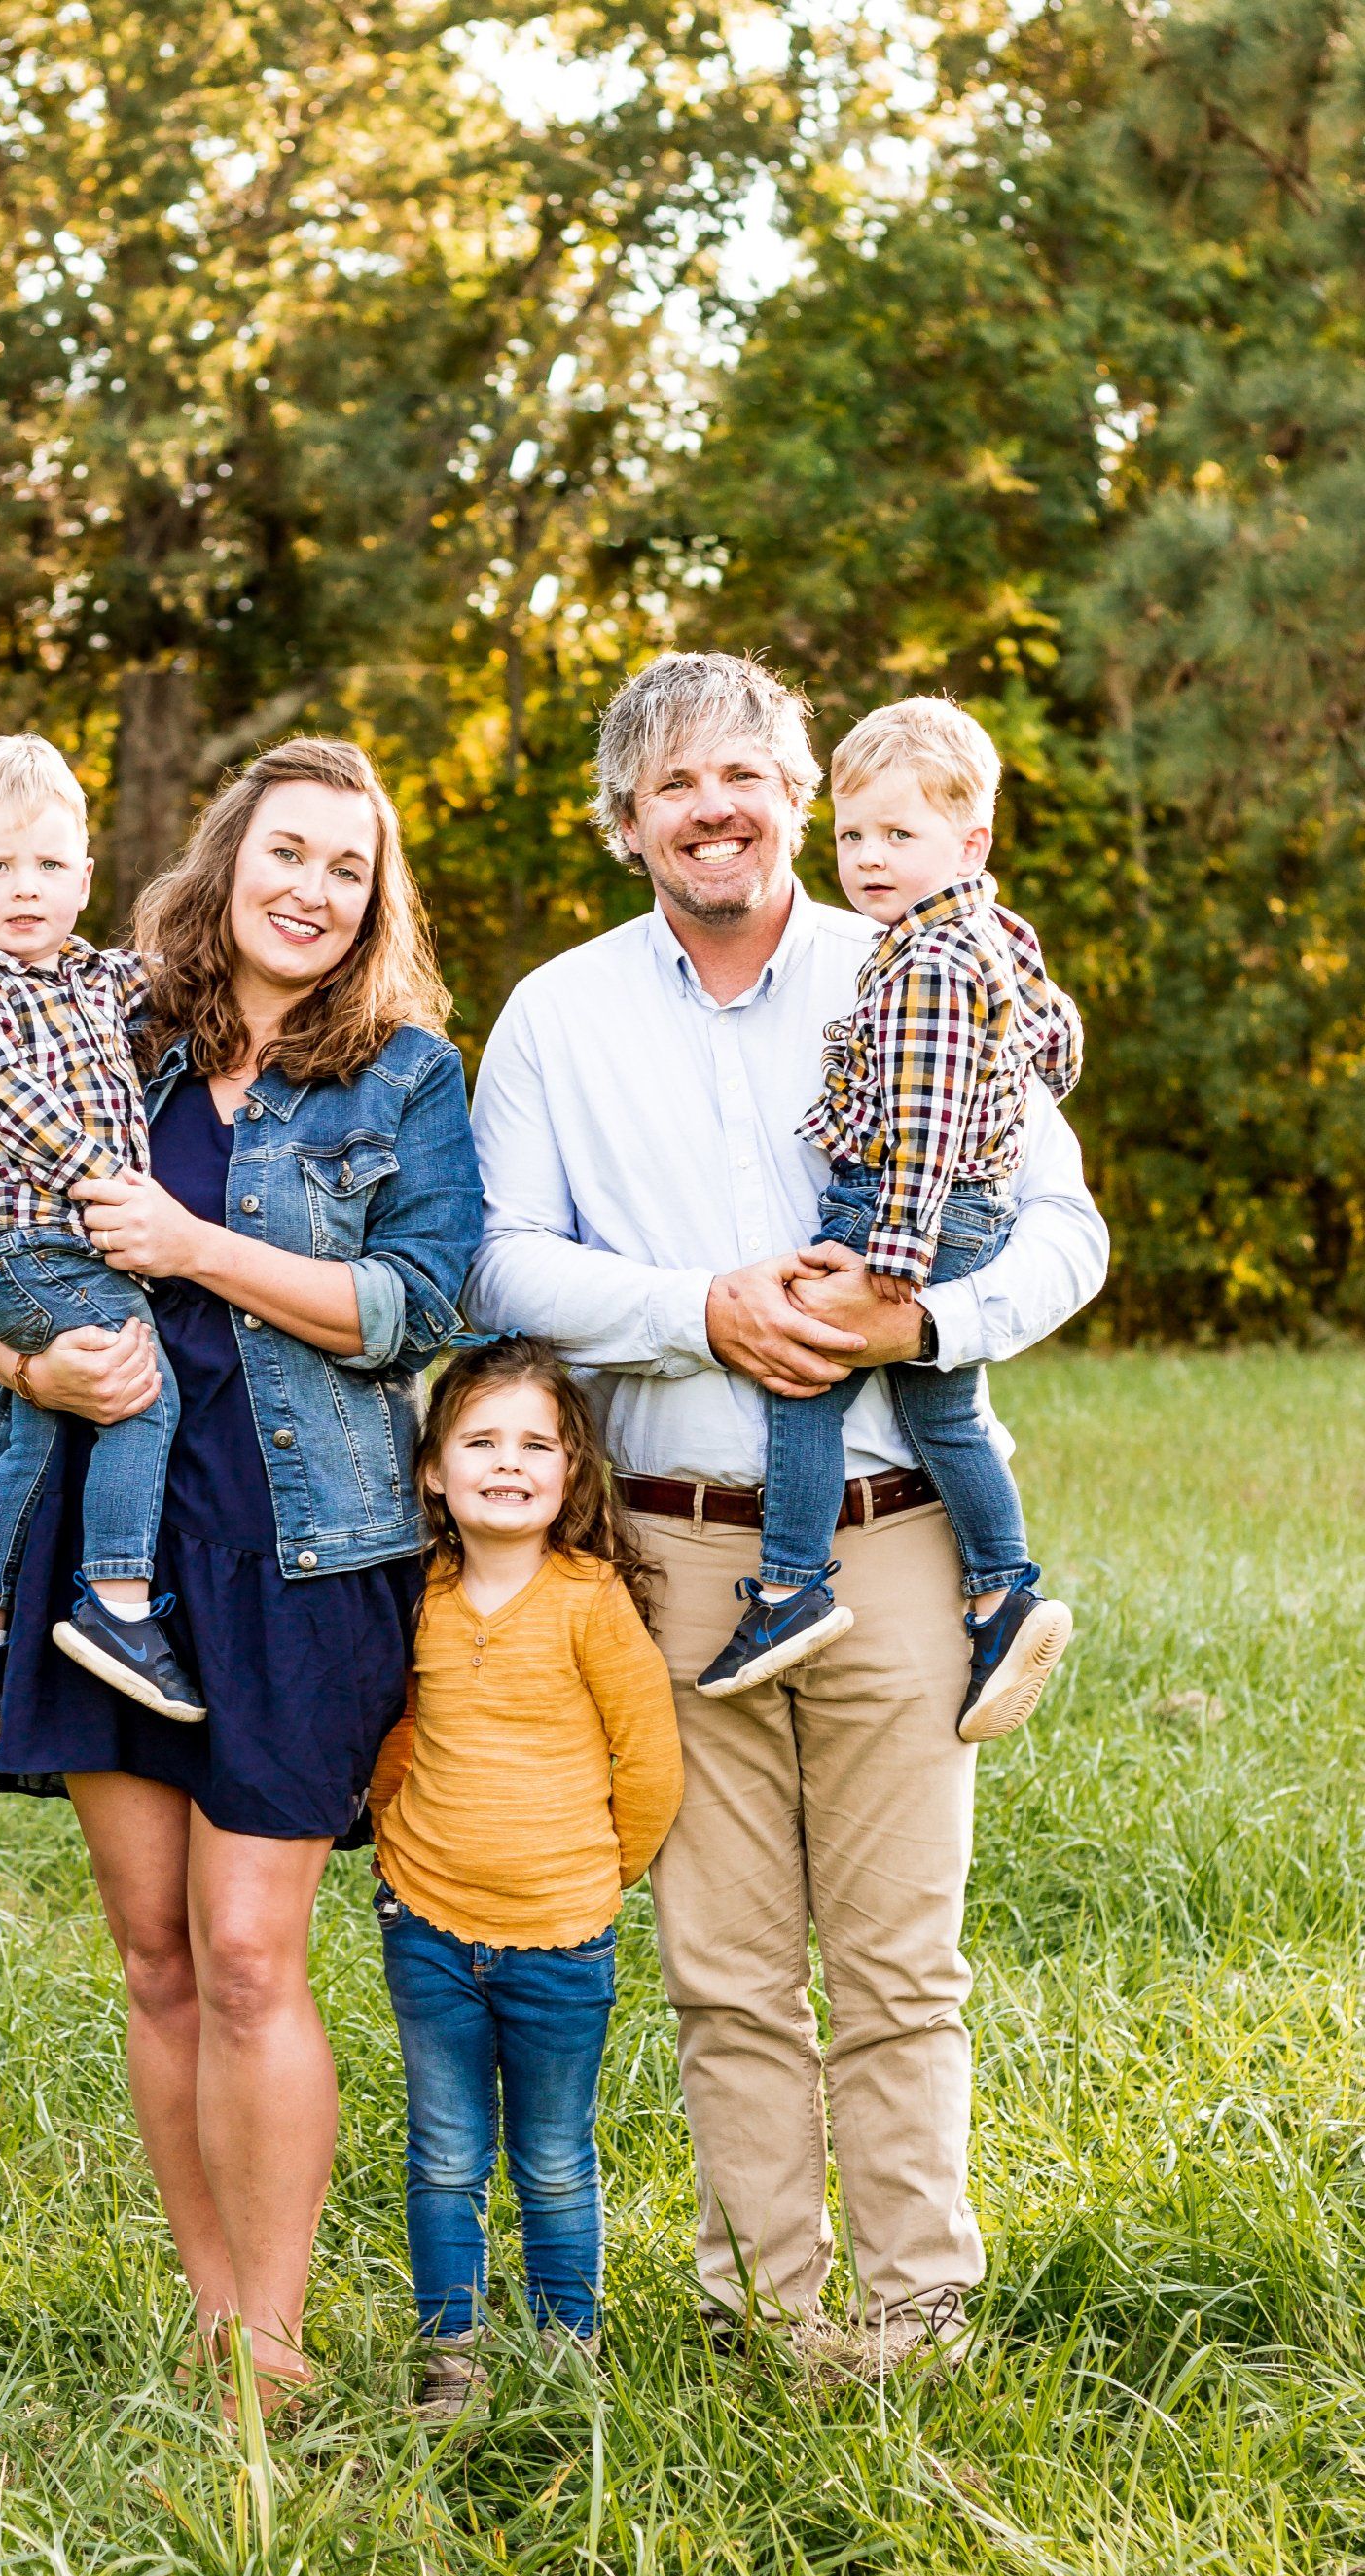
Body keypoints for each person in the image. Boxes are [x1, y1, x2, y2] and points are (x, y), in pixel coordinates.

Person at [466, 649, 1109, 2382]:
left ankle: (914, 2324)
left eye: (746, 771)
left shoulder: (925, 957)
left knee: (902, 1965)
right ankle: (769, 2322)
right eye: (677, 783)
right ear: (626, 825)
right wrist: (701, 1310)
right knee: (729, 1972)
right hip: (672, 1553)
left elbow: (1064, 1228)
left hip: (898, 1535)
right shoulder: (558, 1016)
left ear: (802, 796)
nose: (716, 805)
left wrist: (925, 1323)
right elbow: (499, 1258)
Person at [0, 735, 483, 2412]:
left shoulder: (407, 1077)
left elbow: (425, 1305)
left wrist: (198, 1247)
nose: (312, 887)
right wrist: (29, 1371)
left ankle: (278, 2352)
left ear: (373, 906)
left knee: (245, 1956)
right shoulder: (106, 1034)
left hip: (304, 1556)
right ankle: (214, 2321)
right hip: (110, 1559)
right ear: (224, 866)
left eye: (346, 868)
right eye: (285, 852)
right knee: (153, 1957)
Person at [697, 698, 1081, 1743]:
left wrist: (894, 1259)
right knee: (943, 1415)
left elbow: (924, 1120)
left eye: (897, 836)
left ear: (970, 840)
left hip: (905, 1208)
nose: (867, 859)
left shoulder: (922, 967)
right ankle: (1003, 1595)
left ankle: (789, 1590)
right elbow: (1058, 1039)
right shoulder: (989, 929)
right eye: (853, 834)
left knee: (805, 1375)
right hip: (972, 1205)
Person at [367, 1336, 681, 2424]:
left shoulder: (592, 1600)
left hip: (563, 1935)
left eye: (536, 1443)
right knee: (444, 2152)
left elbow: (649, 1761)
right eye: (480, 1440)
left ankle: (565, 2351)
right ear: (432, 1472)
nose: (508, 1463)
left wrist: (597, 1878)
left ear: (573, 1473)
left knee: (552, 2158)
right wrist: (394, 1842)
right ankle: (451, 2353)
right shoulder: (422, 1596)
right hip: (428, 1927)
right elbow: (395, 1742)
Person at [0, 733, 202, 1743]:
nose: (22, 889)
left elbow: (174, 983)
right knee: (137, 1389)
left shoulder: (92, 979)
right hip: (24, 1246)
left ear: (83, 878)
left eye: (45, 866)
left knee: (36, 1428)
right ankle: (117, 1607)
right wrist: (97, 1174)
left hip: (62, 1251)